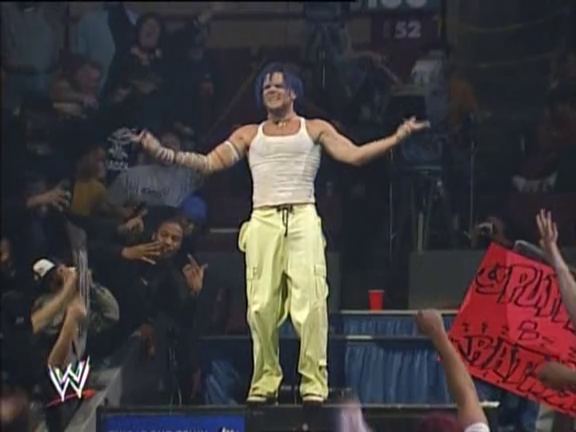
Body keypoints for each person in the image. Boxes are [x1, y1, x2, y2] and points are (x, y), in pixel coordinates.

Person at [123, 62, 429, 405]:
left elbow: (355, 156)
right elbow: (208, 163)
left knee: (310, 303)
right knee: (260, 306)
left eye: (278, 85)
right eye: (266, 86)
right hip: (264, 220)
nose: (271, 90)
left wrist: (397, 138)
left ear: (293, 92)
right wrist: (161, 152)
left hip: (302, 216)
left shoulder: (314, 128)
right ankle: (265, 379)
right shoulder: (249, 134)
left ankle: (314, 381)